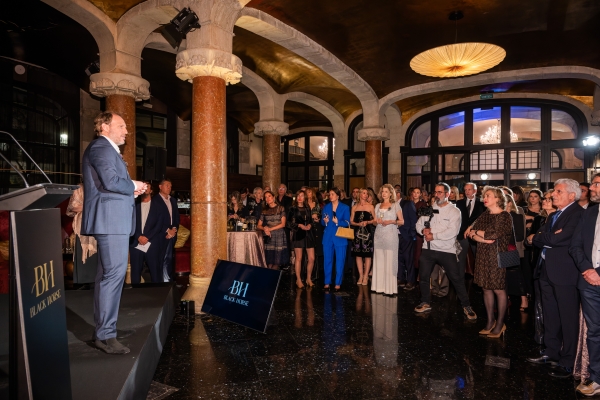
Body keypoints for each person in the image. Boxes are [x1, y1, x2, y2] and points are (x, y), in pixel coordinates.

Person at [81, 111, 147, 355]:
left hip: (112, 221)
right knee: (113, 276)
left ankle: (104, 330)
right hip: (111, 222)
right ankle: (106, 336)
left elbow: (107, 184)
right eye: (121, 126)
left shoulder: (105, 149)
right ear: (105, 127)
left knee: (107, 276)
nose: (127, 131)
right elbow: (110, 181)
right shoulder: (101, 147)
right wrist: (133, 185)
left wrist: (130, 191)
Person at [527, 178, 583, 379]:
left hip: (565, 273)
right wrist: (543, 237)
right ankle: (551, 352)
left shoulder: (577, 214)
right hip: (546, 270)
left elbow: (556, 238)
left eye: (558, 191)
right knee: (550, 315)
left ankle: (568, 361)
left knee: (568, 318)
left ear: (572, 195)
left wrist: (540, 237)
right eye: (554, 191)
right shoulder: (553, 215)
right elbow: (541, 238)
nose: (552, 195)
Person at [414, 183, 477, 320]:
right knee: (423, 277)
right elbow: (418, 224)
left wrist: (434, 235)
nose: (437, 195)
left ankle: (466, 305)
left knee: (456, 278)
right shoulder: (429, 209)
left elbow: (452, 231)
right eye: (435, 192)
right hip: (428, 249)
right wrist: (423, 230)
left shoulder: (454, 211)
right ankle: (425, 302)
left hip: (447, 250)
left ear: (447, 194)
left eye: (440, 192)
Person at [465, 186, 512, 337]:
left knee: (498, 289)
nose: (484, 198)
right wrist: (481, 237)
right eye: (484, 196)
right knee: (486, 288)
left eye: (488, 196)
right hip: (483, 255)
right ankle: (490, 321)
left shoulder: (505, 216)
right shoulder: (485, 214)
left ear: (498, 198)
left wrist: (476, 233)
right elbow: (474, 235)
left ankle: (500, 323)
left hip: (497, 257)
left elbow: (493, 234)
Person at [569, 173, 600, 396]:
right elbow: (575, 246)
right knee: (594, 332)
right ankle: (597, 378)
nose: (591, 188)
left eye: (596, 184)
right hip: (588, 282)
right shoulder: (589, 212)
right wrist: (588, 270)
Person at [371, 184, 404, 295]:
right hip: (378, 235)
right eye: (382, 191)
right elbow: (374, 221)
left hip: (390, 235)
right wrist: (376, 221)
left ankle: (390, 289)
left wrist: (391, 221)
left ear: (391, 194)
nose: (384, 193)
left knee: (390, 261)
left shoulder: (395, 205)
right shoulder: (377, 206)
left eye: (386, 191)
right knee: (379, 260)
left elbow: (402, 221)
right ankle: (379, 287)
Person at [130, 182, 164, 283]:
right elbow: (129, 222)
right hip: (136, 243)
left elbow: (159, 225)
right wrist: (138, 237)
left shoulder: (158, 206)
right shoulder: (133, 205)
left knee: (155, 272)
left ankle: (156, 292)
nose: (145, 189)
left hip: (152, 243)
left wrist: (147, 237)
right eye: (143, 187)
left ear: (151, 190)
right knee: (135, 272)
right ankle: (135, 292)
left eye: (147, 187)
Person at [66, 183, 98, 285]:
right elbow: (72, 208)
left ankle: (97, 281)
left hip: (99, 227)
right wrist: (91, 206)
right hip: (82, 229)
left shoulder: (102, 186)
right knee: (83, 255)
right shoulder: (79, 188)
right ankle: (84, 282)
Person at [321, 187, 350, 291]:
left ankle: (338, 283)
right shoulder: (326, 207)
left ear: (338, 196)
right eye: (330, 194)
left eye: (332, 194)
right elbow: (322, 222)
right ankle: (327, 282)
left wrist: (338, 222)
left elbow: (347, 222)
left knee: (340, 261)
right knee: (327, 260)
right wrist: (325, 221)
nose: (330, 196)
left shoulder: (345, 207)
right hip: (328, 237)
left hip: (340, 238)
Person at [504, 194, 529, 313]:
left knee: (516, 274)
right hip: (501, 249)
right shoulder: (499, 215)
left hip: (511, 249)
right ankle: (506, 298)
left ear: (510, 203)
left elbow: (520, 236)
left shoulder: (516, 215)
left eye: (504, 202)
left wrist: (503, 235)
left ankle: (524, 298)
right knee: (504, 276)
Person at [456, 182, 485, 279]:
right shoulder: (459, 203)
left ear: (475, 191)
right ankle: (459, 280)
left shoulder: (482, 203)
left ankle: (479, 279)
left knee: (478, 258)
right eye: (465, 190)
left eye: (469, 189)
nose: (467, 192)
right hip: (462, 235)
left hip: (476, 235)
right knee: (460, 259)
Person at [287, 190, 315, 288]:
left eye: (302, 196)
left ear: (305, 197)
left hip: (308, 234)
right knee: (298, 258)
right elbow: (288, 223)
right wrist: (299, 225)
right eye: (298, 195)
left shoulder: (307, 208)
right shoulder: (292, 209)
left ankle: (308, 278)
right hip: (298, 234)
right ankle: (298, 280)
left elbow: (311, 220)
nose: (299, 197)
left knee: (311, 258)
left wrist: (310, 225)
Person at [155, 179, 180, 282]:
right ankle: (161, 281)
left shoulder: (173, 200)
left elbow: (176, 217)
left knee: (169, 258)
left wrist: (174, 229)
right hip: (160, 234)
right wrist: (167, 230)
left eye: (170, 186)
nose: (169, 188)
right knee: (160, 258)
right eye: (167, 185)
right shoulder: (155, 200)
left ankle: (168, 280)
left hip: (172, 234)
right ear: (160, 187)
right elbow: (154, 219)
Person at [350, 188, 376, 285]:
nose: (366, 195)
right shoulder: (354, 207)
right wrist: (358, 224)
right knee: (358, 255)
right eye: (364, 193)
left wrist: (367, 222)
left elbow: (375, 220)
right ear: (360, 194)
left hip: (367, 233)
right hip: (357, 233)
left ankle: (365, 276)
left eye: (367, 193)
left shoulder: (370, 206)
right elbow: (351, 221)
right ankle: (360, 275)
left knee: (367, 255)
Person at [258, 191, 288, 269]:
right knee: (269, 261)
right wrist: (265, 228)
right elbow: (258, 225)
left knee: (277, 261)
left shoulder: (281, 208)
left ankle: (273, 277)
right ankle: (268, 276)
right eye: (266, 197)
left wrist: (270, 229)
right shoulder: (264, 210)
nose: (267, 198)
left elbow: (283, 224)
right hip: (269, 236)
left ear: (274, 197)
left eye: (269, 196)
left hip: (279, 235)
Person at [398, 187, 420, 290]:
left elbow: (413, 220)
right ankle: (401, 278)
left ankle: (411, 281)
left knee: (408, 259)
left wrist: (411, 235)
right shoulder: (391, 205)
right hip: (395, 235)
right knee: (399, 258)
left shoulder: (407, 203)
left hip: (406, 235)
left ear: (398, 194)